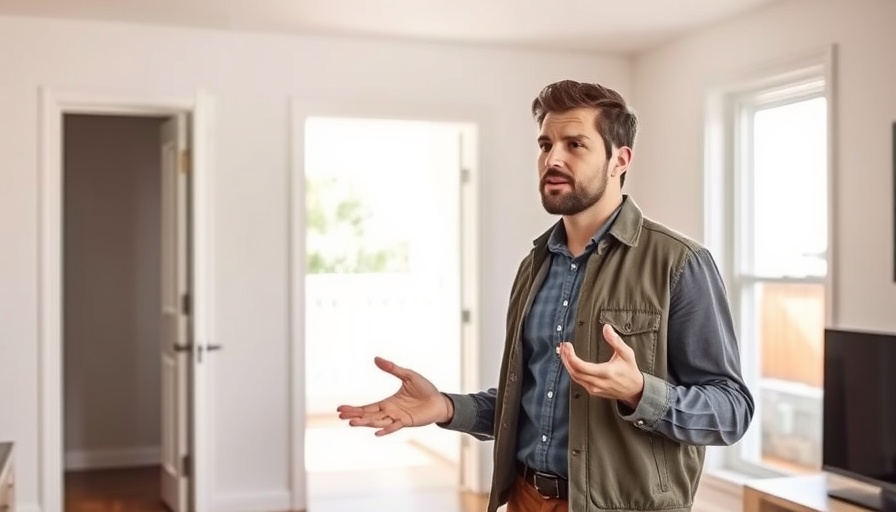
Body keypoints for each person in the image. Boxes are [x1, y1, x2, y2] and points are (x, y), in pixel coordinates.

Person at [337, 79, 754, 512]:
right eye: (545, 144)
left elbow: (731, 410)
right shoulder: (535, 265)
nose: (552, 158)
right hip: (525, 499)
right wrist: (445, 406)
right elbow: (535, 400)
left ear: (620, 159)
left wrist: (638, 391)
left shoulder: (680, 262)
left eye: (575, 144)